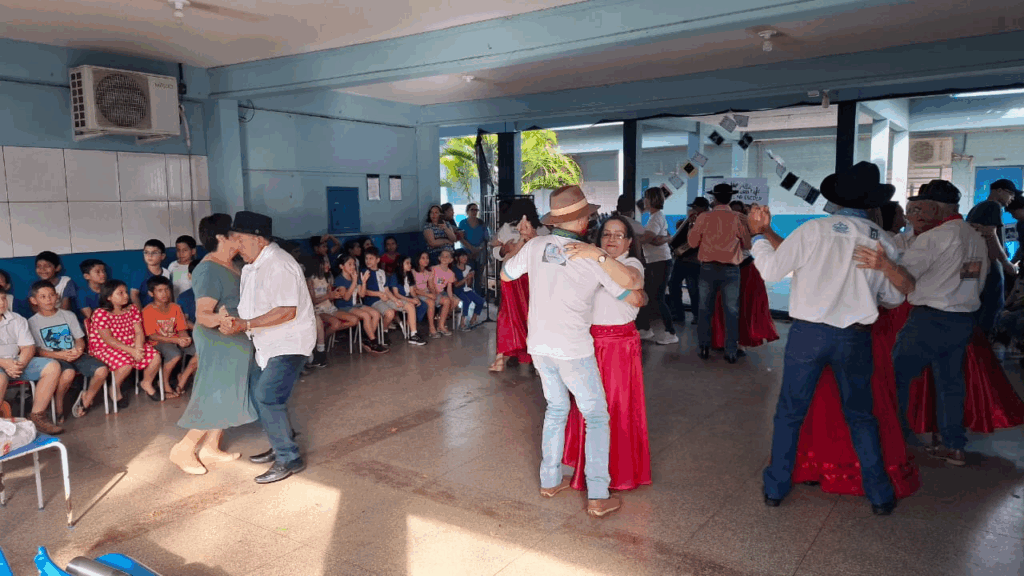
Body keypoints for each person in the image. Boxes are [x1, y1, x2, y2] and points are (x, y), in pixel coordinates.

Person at [749, 161, 904, 515]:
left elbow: (773, 270)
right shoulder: (884, 241)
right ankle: (879, 494)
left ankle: (776, 487)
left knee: (790, 413)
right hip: (856, 337)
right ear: (871, 202)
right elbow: (893, 299)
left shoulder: (813, 230)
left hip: (808, 335)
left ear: (836, 197)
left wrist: (759, 236)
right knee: (862, 416)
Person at [502, 184, 643, 518]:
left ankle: (549, 480)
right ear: (582, 221)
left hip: (539, 347)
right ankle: (597, 495)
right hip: (573, 349)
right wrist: (602, 257)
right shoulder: (590, 257)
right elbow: (632, 289)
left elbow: (507, 274)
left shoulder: (536, 245)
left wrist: (527, 247)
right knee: (595, 414)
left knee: (556, 408)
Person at [859, 180, 989, 467]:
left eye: (920, 206)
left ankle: (891, 439)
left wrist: (882, 267)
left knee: (896, 378)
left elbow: (903, 276)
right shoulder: (975, 238)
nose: (917, 211)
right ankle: (954, 446)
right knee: (950, 384)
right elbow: (969, 278)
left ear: (933, 207)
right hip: (963, 320)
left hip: (930, 318)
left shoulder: (935, 237)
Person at [221, 211, 316, 484]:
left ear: (258, 239)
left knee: (267, 396)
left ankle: (288, 457)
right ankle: (280, 442)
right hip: (266, 343)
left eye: (240, 240)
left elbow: (287, 311)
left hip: (289, 342)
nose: (237, 246)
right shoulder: (253, 266)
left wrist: (246, 323)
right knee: (260, 393)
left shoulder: (279, 264)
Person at [561, 215, 651, 492]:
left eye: (618, 235)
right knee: (588, 408)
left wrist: (598, 256)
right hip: (589, 344)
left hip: (618, 347)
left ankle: (616, 472)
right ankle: (588, 470)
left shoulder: (631, 263)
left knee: (614, 408)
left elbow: (633, 281)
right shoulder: (590, 261)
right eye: (606, 235)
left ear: (629, 242)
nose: (611, 240)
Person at [169, 214, 259, 476]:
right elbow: (203, 313)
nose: (241, 238)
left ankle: (211, 448)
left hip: (235, 337)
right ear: (221, 237)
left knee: (229, 392)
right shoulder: (208, 268)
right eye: (236, 233)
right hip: (219, 338)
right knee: (215, 393)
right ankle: (184, 448)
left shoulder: (232, 265)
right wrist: (221, 320)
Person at [28, 281, 109, 427]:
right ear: (34, 300)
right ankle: (59, 403)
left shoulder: (68, 315)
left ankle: (86, 399)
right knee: (68, 373)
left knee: (102, 370)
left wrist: (78, 349)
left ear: (57, 296)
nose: (48, 299)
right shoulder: (32, 322)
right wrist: (62, 356)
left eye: (52, 295)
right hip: (54, 358)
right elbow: (38, 351)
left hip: (75, 354)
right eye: (43, 296)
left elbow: (79, 339)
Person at [689, 183, 752, 363]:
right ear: (730, 198)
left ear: (714, 198)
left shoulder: (703, 217)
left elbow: (692, 243)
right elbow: (747, 245)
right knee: (732, 311)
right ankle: (730, 351)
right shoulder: (738, 218)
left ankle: (704, 347)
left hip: (707, 268)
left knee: (704, 309)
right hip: (732, 270)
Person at [489, 199, 549, 372]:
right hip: (515, 278)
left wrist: (522, 241)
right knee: (515, 315)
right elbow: (496, 251)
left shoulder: (541, 230)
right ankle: (512, 354)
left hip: (526, 278)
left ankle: (531, 357)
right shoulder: (508, 228)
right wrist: (504, 249)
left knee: (519, 316)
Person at [85, 280, 162, 411]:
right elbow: (109, 340)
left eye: (125, 292)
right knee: (125, 364)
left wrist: (138, 348)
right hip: (106, 347)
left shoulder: (132, 309)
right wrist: (132, 351)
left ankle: (146, 383)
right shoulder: (100, 313)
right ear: (108, 297)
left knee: (155, 357)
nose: (126, 295)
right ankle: (114, 388)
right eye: (120, 293)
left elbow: (139, 331)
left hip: (131, 344)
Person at [1, 286, 64, 434]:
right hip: (1, 365)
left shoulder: (16, 319)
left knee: (52, 367)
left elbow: (28, 347)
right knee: (0, 379)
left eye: (3, 298)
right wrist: (4, 363)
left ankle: (37, 415)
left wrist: (19, 364)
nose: (1, 303)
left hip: (16, 361)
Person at [966, 179, 1018, 334]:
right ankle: (985, 346)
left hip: (972, 262)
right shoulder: (993, 206)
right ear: (999, 190)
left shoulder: (977, 207)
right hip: (988, 262)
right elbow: (990, 234)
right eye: (1011, 194)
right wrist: (1006, 262)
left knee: (971, 303)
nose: (1012, 199)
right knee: (992, 306)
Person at [635, 187, 678, 345]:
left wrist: (638, 236)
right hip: (655, 261)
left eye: (645, 198)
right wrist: (657, 239)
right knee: (647, 295)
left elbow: (647, 238)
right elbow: (654, 239)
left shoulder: (656, 218)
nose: (643, 201)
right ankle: (645, 329)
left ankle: (671, 332)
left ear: (651, 200)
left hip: (660, 261)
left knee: (658, 298)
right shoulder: (654, 217)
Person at [141, 275, 195, 398]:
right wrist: (176, 339)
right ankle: (164, 382)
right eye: (159, 291)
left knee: (200, 351)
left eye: (166, 289)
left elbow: (181, 328)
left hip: (176, 340)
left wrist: (185, 338)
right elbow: (152, 336)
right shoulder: (147, 311)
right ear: (151, 293)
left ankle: (182, 380)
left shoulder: (175, 308)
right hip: (159, 342)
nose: (164, 293)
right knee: (175, 355)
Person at [364, 247, 426, 345]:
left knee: (409, 306)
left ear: (378, 260)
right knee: (390, 313)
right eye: (366, 258)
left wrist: (395, 300)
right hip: (373, 301)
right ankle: (383, 332)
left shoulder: (382, 272)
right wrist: (379, 294)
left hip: (386, 298)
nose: (368, 261)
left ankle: (413, 335)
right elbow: (363, 292)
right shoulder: (364, 272)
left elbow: (387, 290)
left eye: (371, 258)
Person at [334, 255, 389, 353]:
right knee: (366, 315)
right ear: (342, 266)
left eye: (354, 264)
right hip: (344, 307)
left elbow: (362, 294)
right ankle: (373, 342)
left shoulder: (355, 276)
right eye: (349, 264)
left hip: (356, 305)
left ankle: (367, 340)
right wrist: (354, 282)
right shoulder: (339, 279)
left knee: (376, 314)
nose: (353, 267)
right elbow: (346, 298)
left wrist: (363, 282)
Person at [668, 197, 709, 325]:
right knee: (673, 285)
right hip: (682, 259)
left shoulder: (706, 221)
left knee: (694, 289)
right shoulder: (691, 220)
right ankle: (678, 314)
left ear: (703, 208)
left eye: (695, 207)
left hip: (695, 260)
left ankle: (697, 315)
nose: (692, 210)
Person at [390, 254, 429, 344]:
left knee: (423, 305)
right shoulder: (394, 276)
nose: (410, 265)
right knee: (411, 304)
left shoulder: (409, 275)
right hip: (399, 298)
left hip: (408, 297)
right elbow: (396, 294)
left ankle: (410, 323)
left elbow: (412, 292)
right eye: (407, 263)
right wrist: (411, 300)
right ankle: (413, 334)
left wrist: (416, 298)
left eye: (410, 263)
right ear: (400, 264)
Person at [458, 203, 490, 293]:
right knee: (468, 277)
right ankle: (468, 299)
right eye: (472, 210)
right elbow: (460, 238)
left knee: (479, 278)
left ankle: (478, 299)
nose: (474, 212)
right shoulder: (463, 223)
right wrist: (471, 249)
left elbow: (486, 239)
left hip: (480, 253)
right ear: (467, 211)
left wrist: (478, 249)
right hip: (467, 253)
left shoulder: (481, 223)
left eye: (476, 210)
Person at [130, 239, 170, 309]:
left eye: (154, 253)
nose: (149, 255)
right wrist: (140, 314)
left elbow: (169, 295)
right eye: (146, 252)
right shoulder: (139, 274)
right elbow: (134, 295)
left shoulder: (167, 273)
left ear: (162, 256)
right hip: (145, 312)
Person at [453, 249, 485, 330]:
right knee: (466, 300)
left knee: (480, 301)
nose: (465, 258)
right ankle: (462, 323)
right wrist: (466, 278)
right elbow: (456, 285)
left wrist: (470, 278)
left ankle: (473, 319)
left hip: (467, 289)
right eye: (462, 256)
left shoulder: (468, 267)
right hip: (458, 290)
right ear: (457, 258)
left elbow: (469, 285)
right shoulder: (454, 269)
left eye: (465, 256)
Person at [411, 250, 441, 338]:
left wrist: (434, 294)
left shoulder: (428, 272)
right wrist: (429, 295)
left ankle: (441, 326)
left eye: (427, 258)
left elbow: (431, 286)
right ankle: (432, 329)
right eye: (423, 258)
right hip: (417, 294)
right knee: (431, 302)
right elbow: (414, 290)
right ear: (418, 260)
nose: (426, 260)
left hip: (426, 293)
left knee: (445, 300)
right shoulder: (413, 272)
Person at [430, 250, 457, 336]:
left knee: (455, 301)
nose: (445, 258)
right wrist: (435, 293)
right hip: (432, 292)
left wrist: (452, 298)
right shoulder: (433, 268)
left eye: (447, 256)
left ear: (451, 260)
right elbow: (429, 284)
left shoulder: (450, 273)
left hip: (442, 292)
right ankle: (441, 326)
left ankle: (440, 321)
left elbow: (449, 289)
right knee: (446, 301)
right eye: (443, 256)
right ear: (439, 258)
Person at [168, 235, 197, 300]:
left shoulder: (197, 266)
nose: (181, 253)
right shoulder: (172, 266)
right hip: (177, 302)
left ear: (193, 251)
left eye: (185, 250)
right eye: (178, 250)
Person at [177, 261, 199, 330]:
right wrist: (200, 333)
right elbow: (184, 320)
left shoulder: (217, 294)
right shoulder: (183, 297)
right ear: (189, 276)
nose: (202, 278)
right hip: (195, 334)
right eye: (197, 275)